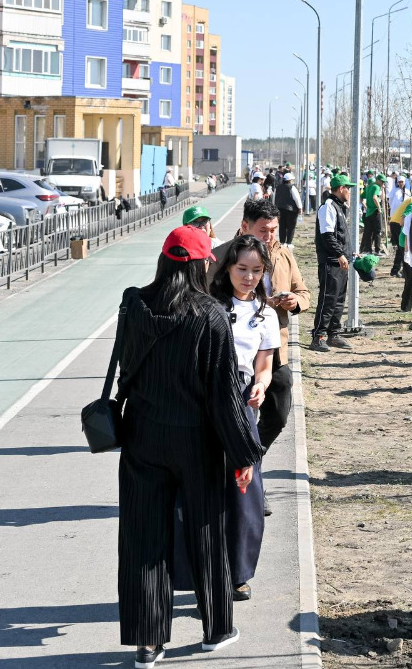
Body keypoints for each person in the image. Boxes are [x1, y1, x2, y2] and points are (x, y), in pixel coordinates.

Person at [116, 226, 260, 666]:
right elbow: (223, 394)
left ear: (164, 261)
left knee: (144, 536)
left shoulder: (134, 303)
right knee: (205, 530)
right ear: (202, 264)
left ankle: (148, 641)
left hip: (143, 435)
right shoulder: (210, 315)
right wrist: (243, 454)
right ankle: (216, 628)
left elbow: (127, 366)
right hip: (196, 440)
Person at [208, 234, 280, 600]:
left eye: (256, 270)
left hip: (243, 401)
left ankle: (239, 573)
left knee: (245, 487)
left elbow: (264, 364)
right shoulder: (209, 306)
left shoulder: (265, 314)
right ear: (228, 268)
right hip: (208, 400)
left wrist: (261, 386)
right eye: (242, 269)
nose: (249, 277)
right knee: (208, 486)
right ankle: (207, 567)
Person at [214, 199, 309, 457]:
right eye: (263, 230)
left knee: (278, 415)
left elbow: (304, 292)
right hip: (233, 351)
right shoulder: (221, 256)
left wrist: (294, 301)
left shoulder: (283, 255)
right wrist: (250, 303)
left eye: (273, 230)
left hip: (274, 348)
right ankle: (236, 463)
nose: (269, 237)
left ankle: (251, 457)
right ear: (245, 226)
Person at [311, 173, 356, 353]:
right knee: (328, 299)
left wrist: (349, 251)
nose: (350, 192)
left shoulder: (340, 207)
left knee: (339, 300)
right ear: (340, 189)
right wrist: (339, 253)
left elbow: (341, 235)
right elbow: (327, 235)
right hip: (331, 261)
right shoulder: (328, 207)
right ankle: (319, 336)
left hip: (341, 261)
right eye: (348, 189)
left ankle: (333, 334)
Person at [386, 177, 410, 276]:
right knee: (402, 247)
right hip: (397, 222)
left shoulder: (408, 192)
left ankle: (398, 270)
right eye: (399, 182)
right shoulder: (394, 192)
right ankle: (399, 270)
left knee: (402, 247)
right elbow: (391, 203)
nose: (400, 183)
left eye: (402, 182)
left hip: (401, 221)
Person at [273, 171, 301, 246]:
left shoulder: (278, 187)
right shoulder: (292, 187)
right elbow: (297, 199)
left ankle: (282, 242)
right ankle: (289, 242)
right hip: (291, 210)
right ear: (289, 180)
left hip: (280, 209)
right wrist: (300, 208)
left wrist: (274, 207)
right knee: (291, 226)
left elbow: (274, 198)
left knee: (282, 226)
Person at [359, 172, 384, 255]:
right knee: (378, 231)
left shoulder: (369, 187)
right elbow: (374, 197)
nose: (383, 183)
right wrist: (379, 208)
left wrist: (365, 206)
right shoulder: (376, 187)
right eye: (382, 182)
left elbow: (361, 197)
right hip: (375, 211)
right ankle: (377, 250)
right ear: (378, 180)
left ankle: (368, 249)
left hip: (369, 212)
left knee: (368, 231)